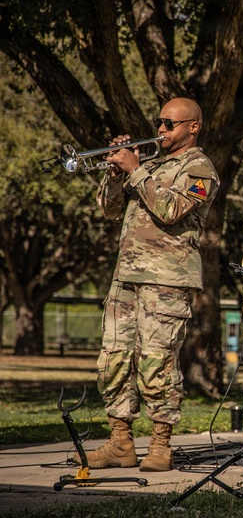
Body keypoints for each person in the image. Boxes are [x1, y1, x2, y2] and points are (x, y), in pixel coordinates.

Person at [76, 97, 219, 472]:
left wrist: (136, 169)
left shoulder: (200, 168)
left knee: (157, 363)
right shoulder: (151, 164)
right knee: (113, 359)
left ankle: (160, 445)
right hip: (126, 277)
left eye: (169, 124)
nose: (160, 130)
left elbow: (171, 211)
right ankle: (120, 442)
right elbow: (108, 211)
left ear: (193, 127)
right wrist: (114, 170)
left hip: (167, 280)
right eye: (159, 122)